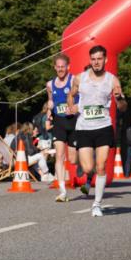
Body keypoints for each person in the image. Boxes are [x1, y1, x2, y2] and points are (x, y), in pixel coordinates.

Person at [66, 45, 127, 216]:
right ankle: (88, 177)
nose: (96, 62)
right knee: (87, 167)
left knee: (101, 166)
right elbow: (71, 94)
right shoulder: (79, 78)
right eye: (93, 59)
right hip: (84, 127)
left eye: (99, 59)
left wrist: (119, 98)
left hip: (104, 127)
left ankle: (97, 204)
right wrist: (71, 107)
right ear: (90, 60)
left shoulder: (112, 80)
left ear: (105, 60)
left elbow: (122, 108)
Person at [46, 54, 79, 202]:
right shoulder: (49, 84)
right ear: (55, 67)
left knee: (72, 159)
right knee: (59, 156)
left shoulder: (74, 80)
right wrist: (48, 112)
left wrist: (74, 108)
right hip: (59, 123)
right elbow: (50, 102)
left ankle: (82, 163)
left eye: (63, 67)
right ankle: (62, 190)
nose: (60, 69)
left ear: (68, 67)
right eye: (58, 67)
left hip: (73, 123)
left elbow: (84, 98)